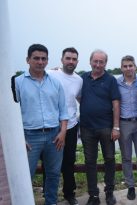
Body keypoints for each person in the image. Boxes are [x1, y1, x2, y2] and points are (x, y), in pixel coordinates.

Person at [15, 44, 69, 205]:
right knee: (25, 175)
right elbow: (12, 113)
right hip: (29, 137)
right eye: (36, 58)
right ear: (28, 60)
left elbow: (63, 111)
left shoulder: (55, 83)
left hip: (54, 135)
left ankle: (51, 202)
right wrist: (19, 138)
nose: (40, 62)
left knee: (53, 174)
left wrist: (63, 132)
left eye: (43, 59)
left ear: (47, 61)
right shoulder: (17, 83)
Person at [79, 49, 121, 205]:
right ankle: (93, 195)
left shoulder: (110, 80)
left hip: (106, 127)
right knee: (90, 161)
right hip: (86, 128)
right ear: (90, 61)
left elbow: (116, 104)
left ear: (105, 63)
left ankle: (109, 192)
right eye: (95, 61)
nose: (98, 64)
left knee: (109, 159)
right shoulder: (82, 78)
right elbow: (76, 94)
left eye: (101, 62)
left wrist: (116, 127)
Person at [47, 47, 83, 205]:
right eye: (68, 58)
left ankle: (69, 193)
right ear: (61, 59)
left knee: (69, 162)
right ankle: (50, 196)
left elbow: (81, 100)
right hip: (51, 127)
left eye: (74, 59)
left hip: (71, 126)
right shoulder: (50, 73)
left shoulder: (79, 80)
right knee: (50, 164)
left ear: (77, 61)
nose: (71, 61)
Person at [117, 55, 137, 200]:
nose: (128, 68)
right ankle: (130, 186)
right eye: (125, 66)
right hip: (124, 124)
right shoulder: (116, 83)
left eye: (131, 65)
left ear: (135, 66)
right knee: (126, 157)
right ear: (121, 68)